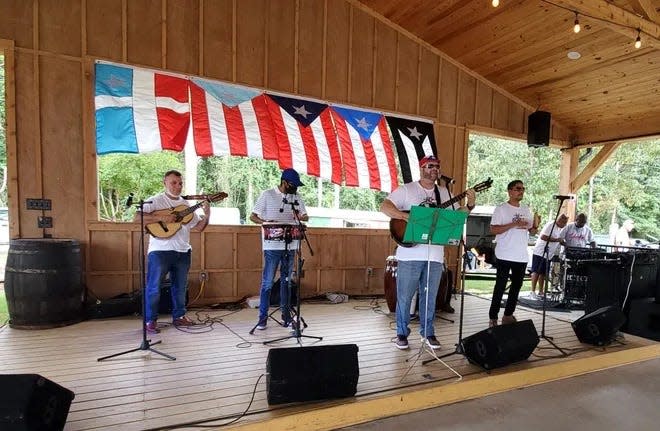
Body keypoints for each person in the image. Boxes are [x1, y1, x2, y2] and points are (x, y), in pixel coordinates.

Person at [381, 155, 476, 350]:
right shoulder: (407, 189)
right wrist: (405, 216)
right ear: (422, 168)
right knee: (405, 296)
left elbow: (457, 217)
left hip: (434, 255)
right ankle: (401, 333)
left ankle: (428, 332)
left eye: (437, 166)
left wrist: (470, 205)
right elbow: (385, 206)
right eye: (430, 166)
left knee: (430, 296)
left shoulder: (445, 193)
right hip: (410, 254)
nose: (434, 169)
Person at [138, 170, 210, 334]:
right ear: (165, 183)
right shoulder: (155, 200)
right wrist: (162, 218)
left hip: (183, 251)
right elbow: (137, 217)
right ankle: (150, 320)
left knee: (180, 287)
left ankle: (179, 316)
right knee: (154, 287)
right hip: (160, 251)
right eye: (173, 183)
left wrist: (207, 214)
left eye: (180, 183)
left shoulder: (185, 205)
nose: (177, 186)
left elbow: (199, 227)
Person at [250, 168, 308, 330]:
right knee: (267, 283)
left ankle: (286, 316)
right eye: (293, 185)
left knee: (287, 282)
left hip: (291, 245)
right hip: (272, 246)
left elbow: (306, 216)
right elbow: (253, 216)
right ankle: (262, 318)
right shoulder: (267, 195)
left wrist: (301, 216)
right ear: (284, 182)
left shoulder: (296, 197)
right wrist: (267, 222)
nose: (295, 188)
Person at [488, 180, 539, 328]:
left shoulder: (526, 209)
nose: (521, 191)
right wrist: (513, 224)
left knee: (516, 286)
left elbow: (532, 232)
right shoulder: (501, 209)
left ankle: (508, 315)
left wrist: (535, 225)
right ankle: (493, 317)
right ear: (510, 191)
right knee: (500, 286)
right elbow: (493, 229)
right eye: (518, 188)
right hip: (504, 253)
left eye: (523, 188)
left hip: (521, 255)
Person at [530, 214, 568, 297]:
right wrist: (556, 240)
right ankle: (532, 291)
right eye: (564, 223)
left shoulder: (559, 229)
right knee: (536, 271)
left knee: (543, 273)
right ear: (559, 220)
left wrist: (564, 243)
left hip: (549, 254)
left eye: (566, 223)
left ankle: (540, 291)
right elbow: (543, 236)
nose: (564, 225)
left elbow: (558, 239)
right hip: (540, 252)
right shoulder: (551, 225)